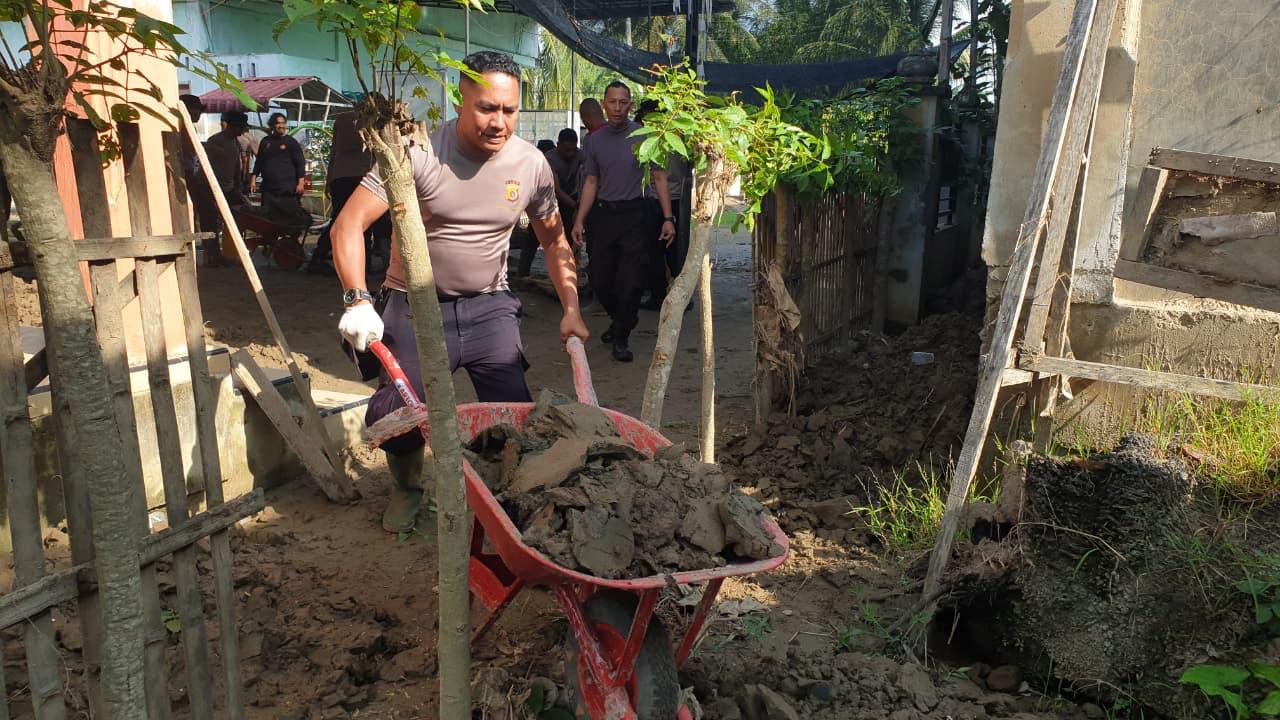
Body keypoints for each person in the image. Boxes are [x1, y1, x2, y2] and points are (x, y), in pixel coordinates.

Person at [332, 51, 589, 533]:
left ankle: (505, 505)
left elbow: (554, 240)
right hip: (414, 305)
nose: (499, 122)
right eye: (486, 108)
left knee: (512, 411)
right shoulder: (416, 150)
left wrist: (571, 308)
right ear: (460, 99)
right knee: (401, 410)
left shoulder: (531, 164)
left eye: (509, 111)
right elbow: (347, 225)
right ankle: (407, 491)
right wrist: (357, 298)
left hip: (491, 307)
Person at [571, 80, 675, 362]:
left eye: (623, 102)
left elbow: (659, 178)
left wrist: (668, 218)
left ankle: (621, 337)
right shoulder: (593, 141)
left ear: (630, 105)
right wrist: (580, 219)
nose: (617, 108)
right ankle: (622, 321)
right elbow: (591, 181)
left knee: (631, 280)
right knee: (601, 279)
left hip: (635, 215)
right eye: (612, 101)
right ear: (604, 104)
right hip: (603, 216)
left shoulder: (645, 136)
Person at [309, 110, 392, 275]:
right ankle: (365, 266)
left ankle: (318, 257)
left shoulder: (342, 118)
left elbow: (334, 151)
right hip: (365, 176)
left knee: (340, 220)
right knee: (367, 224)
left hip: (341, 177)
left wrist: (329, 180)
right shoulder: (378, 119)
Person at [634, 101, 689, 310]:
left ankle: (659, 296)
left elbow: (657, 176)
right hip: (676, 200)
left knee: (655, 251)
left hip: (658, 201)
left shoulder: (652, 140)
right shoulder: (679, 136)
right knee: (675, 250)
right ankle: (679, 296)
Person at [251, 112, 310, 228]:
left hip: (287, 188)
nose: (281, 126)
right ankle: (271, 241)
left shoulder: (291, 142)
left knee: (289, 217)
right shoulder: (265, 142)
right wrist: (253, 178)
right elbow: (259, 162)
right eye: (278, 123)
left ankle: (289, 240)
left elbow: (300, 163)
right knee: (268, 217)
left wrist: (301, 182)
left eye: (283, 123)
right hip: (269, 189)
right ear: (272, 125)